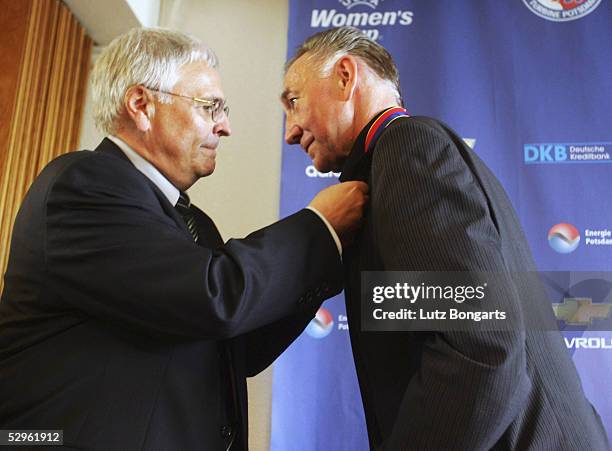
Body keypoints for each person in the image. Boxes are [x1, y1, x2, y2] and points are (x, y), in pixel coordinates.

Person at [0, 28, 368, 450]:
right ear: (141, 105)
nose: (225, 126)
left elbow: (236, 347)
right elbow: (213, 297)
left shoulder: (194, 222)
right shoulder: (82, 185)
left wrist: (332, 255)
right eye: (210, 106)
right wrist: (320, 226)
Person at [282, 26, 609, 450]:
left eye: (293, 102)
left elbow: (477, 345)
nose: (289, 131)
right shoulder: (392, 162)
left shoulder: (406, 148)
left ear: (345, 76)